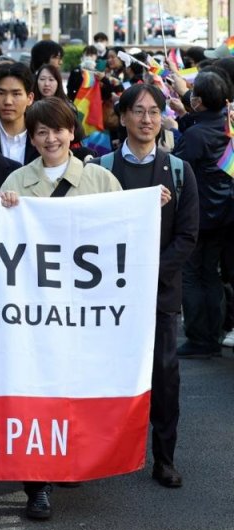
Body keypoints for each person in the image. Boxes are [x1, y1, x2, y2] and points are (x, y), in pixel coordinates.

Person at [0, 97, 122, 520]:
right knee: (35, 394)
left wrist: (149, 206)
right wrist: (5, 211)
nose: (51, 138)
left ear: (73, 132)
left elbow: (122, 233)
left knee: (75, 391)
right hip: (32, 313)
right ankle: (36, 484)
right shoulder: (15, 181)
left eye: (59, 129)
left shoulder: (101, 180)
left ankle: (70, 460)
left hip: (83, 311)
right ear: (31, 139)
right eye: (42, 132)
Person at [87, 84, 199, 489]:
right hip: (104, 297)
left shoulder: (180, 171)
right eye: (139, 111)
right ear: (123, 116)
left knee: (165, 379)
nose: (147, 119)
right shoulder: (99, 170)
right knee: (97, 376)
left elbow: (187, 237)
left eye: (155, 111)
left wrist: (149, 274)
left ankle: (164, 458)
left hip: (158, 297)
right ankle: (90, 457)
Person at [174, 71, 234, 358]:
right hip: (225, 213)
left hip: (200, 214)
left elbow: (178, 172)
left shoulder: (196, 135)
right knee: (211, 274)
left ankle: (201, 338)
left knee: (192, 275)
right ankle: (215, 333)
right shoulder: (228, 125)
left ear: (198, 101)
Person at [0, 62, 38, 165]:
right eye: (1, 93)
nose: (8, 101)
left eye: (16, 94)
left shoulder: (40, 135)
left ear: (29, 98)